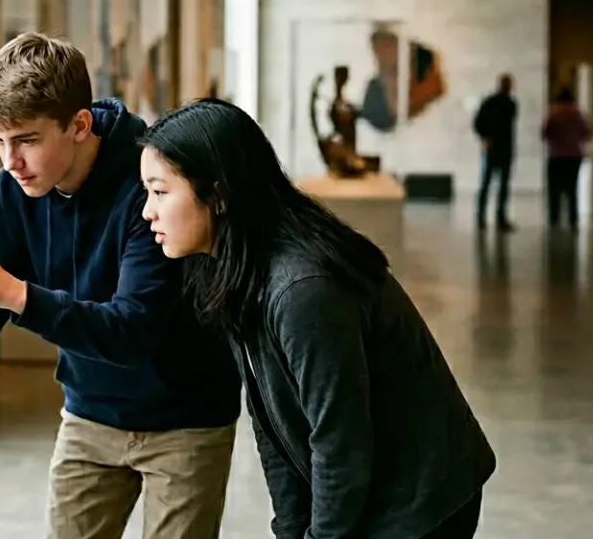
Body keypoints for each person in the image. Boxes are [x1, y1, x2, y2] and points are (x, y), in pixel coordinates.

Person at [0, 32, 242, 539]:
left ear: (80, 125)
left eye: (27, 140)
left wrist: (15, 292)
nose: (10, 161)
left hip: (186, 416)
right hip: (90, 414)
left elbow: (133, 331)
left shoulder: (148, 186)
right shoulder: (14, 190)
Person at [138, 98, 496, 539]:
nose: (147, 211)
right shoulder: (232, 263)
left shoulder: (302, 288)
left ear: (218, 194)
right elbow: (270, 421)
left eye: (159, 191)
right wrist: (291, 529)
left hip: (421, 500)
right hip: (369, 484)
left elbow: (339, 443)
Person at [540, 87, 592, 231]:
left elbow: (544, 133)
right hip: (574, 156)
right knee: (572, 190)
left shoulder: (553, 114)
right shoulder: (578, 115)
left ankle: (554, 220)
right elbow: (585, 133)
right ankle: (573, 221)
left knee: (554, 191)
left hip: (556, 155)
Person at [473, 73, 519, 232]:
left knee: (487, 183)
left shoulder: (490, 102)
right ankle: (499, 218)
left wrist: (485, 137)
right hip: (503, 148)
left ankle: (481, 217)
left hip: (493, 147)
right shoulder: (510, 104)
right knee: (501, 185)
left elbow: (478, 122)